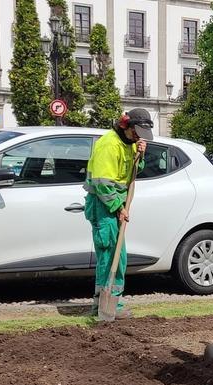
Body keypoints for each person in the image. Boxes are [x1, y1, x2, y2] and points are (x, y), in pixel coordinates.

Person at [82, 108, 153, 318]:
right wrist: (119, 208)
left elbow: (132, 172)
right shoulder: (109, 144)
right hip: (103, 205)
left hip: (116, 203)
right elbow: (103, 184)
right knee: (109, 255)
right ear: (126, 126)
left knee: (118, 256)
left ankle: (112, 302)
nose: (139, 137)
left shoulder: (129, 144)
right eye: (137, 132)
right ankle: (103, 305)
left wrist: (140, 155)